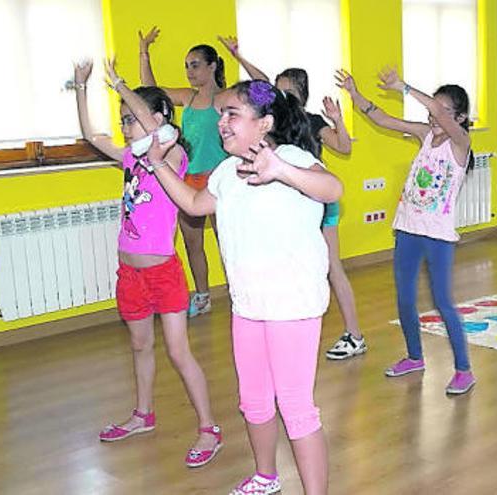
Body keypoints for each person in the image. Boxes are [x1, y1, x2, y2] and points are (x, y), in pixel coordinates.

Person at [148, 79, 342, 495]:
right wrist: (158, 164)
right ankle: (266, 476)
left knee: (295, 408)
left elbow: (332, 189)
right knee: (253, 399)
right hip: (249, 304)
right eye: (221, 114)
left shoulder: (290, 157)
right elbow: (196, 205)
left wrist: (281, 171)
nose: (222, 122)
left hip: (293, 305)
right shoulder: (226, 171)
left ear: (264, 123)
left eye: (232, 114)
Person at [72, 60, 220, 468]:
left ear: (158, 120)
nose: (125, 125)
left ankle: (209, 428)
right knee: (140, 345)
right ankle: (143, 415)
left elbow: (153, 131)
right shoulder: (129, 159)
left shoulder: (171, 159)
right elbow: (89, 134)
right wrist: (81, 88)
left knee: (178, 351)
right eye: (123, 120)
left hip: (163, 273)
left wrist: (120, 85)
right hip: (130, 273)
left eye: (131, 119)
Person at [218, 35, 367, 360]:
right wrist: (239, 55)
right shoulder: (270, 125)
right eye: (277, 88)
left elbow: (344, 148)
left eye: (286, 89)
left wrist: (339, 119)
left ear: (300, 92)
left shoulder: (311, 122)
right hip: (284, 206)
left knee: (332, 265)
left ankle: (354, 333)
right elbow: (259, 83)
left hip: (316, 200)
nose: (279, 93)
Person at [337, 67, 476, 395]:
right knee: (404, 298)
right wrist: (356, 96)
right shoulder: (425, 135)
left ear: (460, 116)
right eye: (432, 110)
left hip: (438, 236)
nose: (432, 117)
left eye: (440, 111)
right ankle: (415, 357)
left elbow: (439, 114)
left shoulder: (460, 142)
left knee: (443, 301)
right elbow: (385, 120)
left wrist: (405, 87)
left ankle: (463, 370)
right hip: (408, 228)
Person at [139, 27, 229, 317]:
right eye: (187, 66)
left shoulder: (225, 99)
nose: (190, 71)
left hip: (218, 180)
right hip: (189, 182)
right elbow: (150, 93)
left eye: (195, 65)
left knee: (228, 243)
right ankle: (202, 296)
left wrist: (240, 54)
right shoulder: (187, 98)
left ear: (212, 66)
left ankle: (238, 292)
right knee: (193, 245)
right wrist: (144, 52)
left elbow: (262, 89)